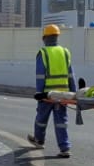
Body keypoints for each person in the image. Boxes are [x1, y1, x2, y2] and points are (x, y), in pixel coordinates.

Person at [28, 24, 74, 159]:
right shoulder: (65, 52)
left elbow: (40, 76)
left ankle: (39, 140)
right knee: (61, 121)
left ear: (44, 38)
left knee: (41, 119)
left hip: (48, 95)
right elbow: (71, 74)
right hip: (63, 95)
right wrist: (74, 93)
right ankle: (65, 148)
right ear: (57, 37)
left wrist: (39, 94)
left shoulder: (43, 53)